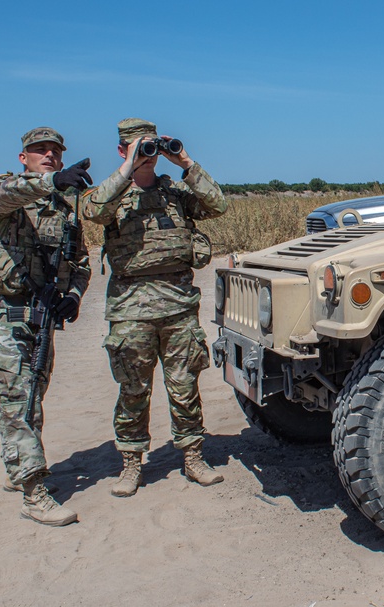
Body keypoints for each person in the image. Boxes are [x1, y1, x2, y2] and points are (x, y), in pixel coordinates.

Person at [83, 118, 227, 497]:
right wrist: (128, 167)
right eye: (139, 147)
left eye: (152, 147)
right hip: (131, 309)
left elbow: (218, 204)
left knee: (184, 387)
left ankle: (193, 456)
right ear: (122, 149)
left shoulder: (175, 193)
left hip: (178, 305)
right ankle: (131, 462)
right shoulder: (113, 195)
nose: (149, 155)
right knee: (133, 389)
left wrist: (185, 162)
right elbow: (93, 211)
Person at [0, 126, 92, 526]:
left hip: (41, 319)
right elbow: (4, 196)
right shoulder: (3, 191)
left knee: (32, 398)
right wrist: (51, 182)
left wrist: (73, 296)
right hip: (4, 316)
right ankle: (32, 491)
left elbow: (81, 262)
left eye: (55, 152)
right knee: (15, 402)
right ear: (23, 158)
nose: (49, 156)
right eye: (39, 151)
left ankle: (20, 468)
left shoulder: (62, 209)